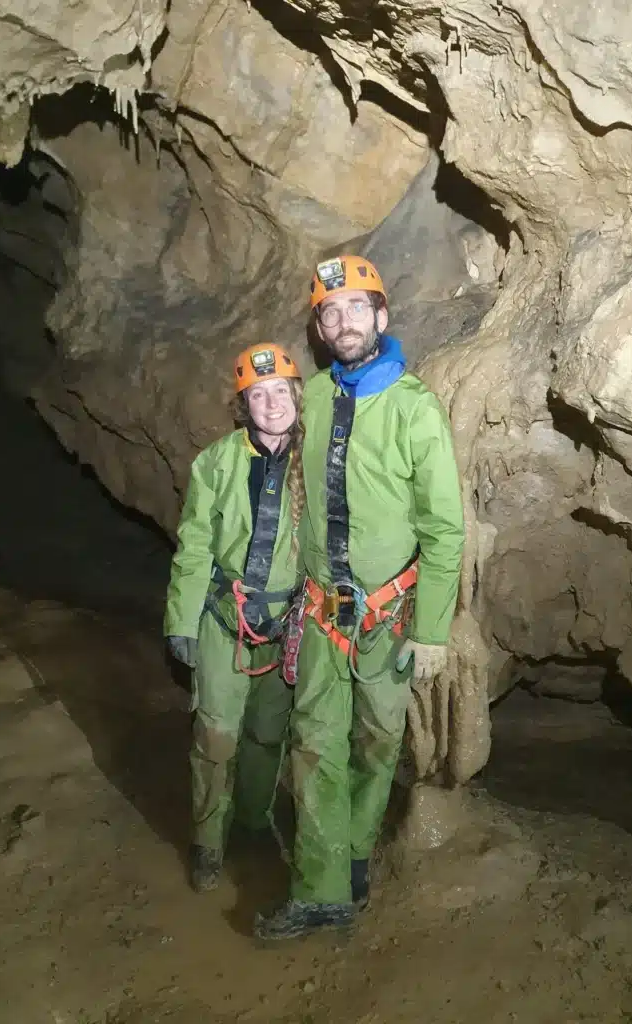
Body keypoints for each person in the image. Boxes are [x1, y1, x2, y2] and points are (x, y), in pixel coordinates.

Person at [254, 255, 465, 940]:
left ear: (381, 316)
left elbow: (444, 528)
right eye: (329, 313)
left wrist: (432, 629)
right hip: (321, 609)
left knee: (377, 740)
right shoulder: (310, 397)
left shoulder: (415, 409)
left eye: (354, 309)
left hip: (390, 613)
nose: (342, 323)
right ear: (319, 328)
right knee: (316, 742)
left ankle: (353, 855)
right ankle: (320, 891)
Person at [164, 343, 304, 892]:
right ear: (243, 403)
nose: (271, 404)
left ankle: (252, 821)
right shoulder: (217, 462)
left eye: (279, 392)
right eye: (257, 394)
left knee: (269, 735)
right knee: (217, 734)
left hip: (290, 622)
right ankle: (207, 841)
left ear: (295, 395)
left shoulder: (315, 461)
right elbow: (195, 545)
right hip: (225, 617)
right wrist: (181, 620)